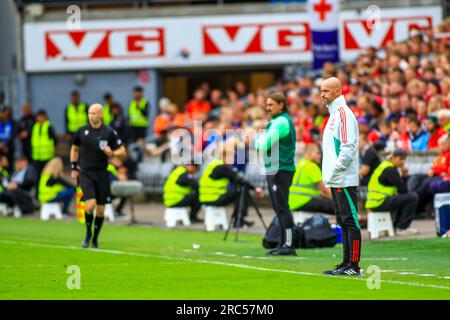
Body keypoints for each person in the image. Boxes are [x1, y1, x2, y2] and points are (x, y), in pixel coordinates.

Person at [70, 103, 127, 248]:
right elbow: (74, 149)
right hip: (86, 173)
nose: (91, 116)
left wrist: (113, 153)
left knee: (101, 210)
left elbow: (122, 150)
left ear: (101, 114)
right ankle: (88, 232)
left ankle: (95, 238)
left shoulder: (108, 132)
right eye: (89, 113)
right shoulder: (82, 131)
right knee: (90, 205)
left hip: (102, 173)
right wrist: (73, 166)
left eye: (94, 113)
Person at [321, 77, 362, 276]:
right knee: (343, 221)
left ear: (338, 91)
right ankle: (346, 263)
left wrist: (336, 170)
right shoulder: (334, 115)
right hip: (336, 178)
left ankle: (353, 265)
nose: (322, 95)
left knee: (350, 221)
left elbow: (349, 147)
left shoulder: (344, 114)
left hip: (344, 178)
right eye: (321, 91)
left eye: (326, 91)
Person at [255, 92, 297, 256]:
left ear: (281, 105)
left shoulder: (280, 122)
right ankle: (282, 243)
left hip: (281, 169)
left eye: (271, 105)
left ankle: (288, 244)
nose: (268, 108)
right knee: (279, 208)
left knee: (282, 208)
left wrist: (259, 138)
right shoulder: (276, 121)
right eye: (267, 104)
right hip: (276, 168)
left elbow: (262, 145)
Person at [199, 142, 264, 228]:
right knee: (242, 190)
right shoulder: (222, 167)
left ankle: (238, 218)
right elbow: (239, 180)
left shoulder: (215, 165)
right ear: (225, 156)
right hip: (213, 198)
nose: (233, 159)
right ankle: (238, 219)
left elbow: (235, 179)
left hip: (207, 198)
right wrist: (256, 189)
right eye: (232, 156)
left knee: (240, 189)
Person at [365, 149, 419, 236]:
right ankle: (402, 227)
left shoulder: (384, 165)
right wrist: (405, 176)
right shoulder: (390, 170)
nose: (402, 162)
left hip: (374, 202)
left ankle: (397, 226)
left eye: (404, 159)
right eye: (400, 159)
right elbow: (404, 189)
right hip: (379, 202)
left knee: (404, 198)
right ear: (393, 158)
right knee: (412, 197)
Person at [288, 143, 334, 214]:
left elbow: (321, 192)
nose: (320, 156)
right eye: (317, 153)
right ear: (309, 154)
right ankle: (354, 219)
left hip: (293, 203)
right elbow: (325, 190)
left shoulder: (300, 164)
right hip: (304, 201)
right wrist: (337, 201)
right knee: (335, 207)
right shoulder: (312, 166)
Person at [31, 110, 58, 182]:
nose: (39, 118)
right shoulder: (35, 127)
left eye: (41, 116)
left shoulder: (48, 127)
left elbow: (55, 140)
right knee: (37, 177)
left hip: (47, 157)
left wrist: (51, 149)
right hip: (37, 157)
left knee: (47, 176)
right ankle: (38, 192)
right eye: (38, 117)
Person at [0, 105, 16, 170]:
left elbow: (14, 134)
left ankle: (8, 178)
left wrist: (6, 144)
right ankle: (3, 177)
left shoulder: (12, 122)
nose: (4, 113)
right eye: (2, 112)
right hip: (0, 147)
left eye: (5, 111)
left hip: (9, 148)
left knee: (9, 165)